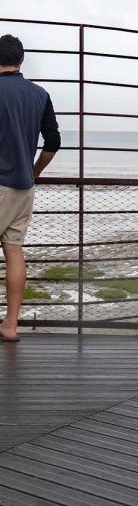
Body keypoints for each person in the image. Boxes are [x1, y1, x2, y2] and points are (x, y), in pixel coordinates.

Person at [0, 34, 61, 341]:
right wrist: (33, 171)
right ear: (21, 60)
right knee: (14, 252)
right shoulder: (40, 94)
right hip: (24, 188)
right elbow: (53, 143)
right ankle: (10, 326)